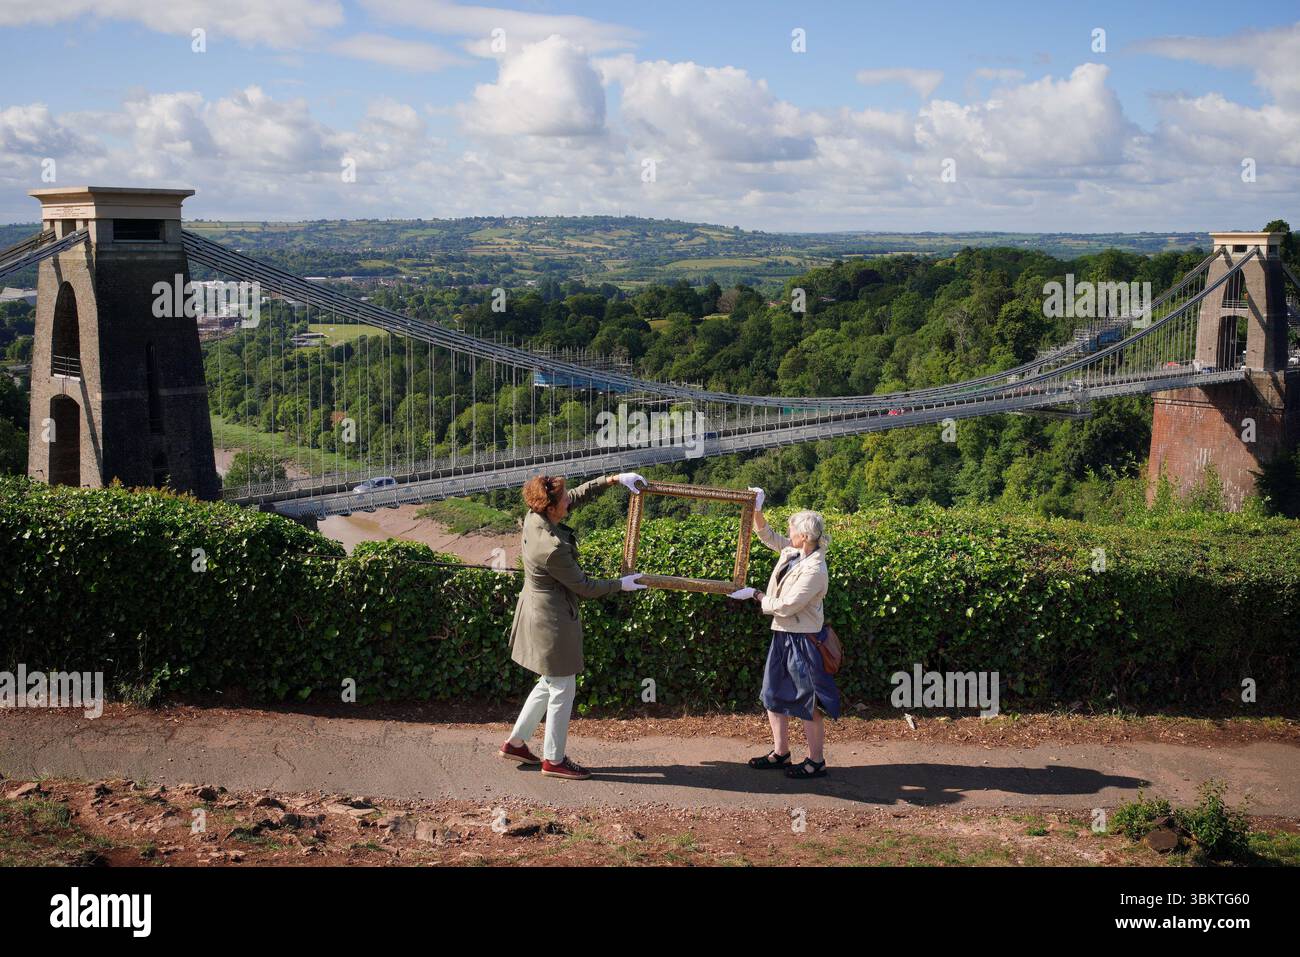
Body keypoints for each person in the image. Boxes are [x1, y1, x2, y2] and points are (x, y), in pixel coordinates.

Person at [500, 471, 649, 780]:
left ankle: (516, 743)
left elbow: (574, 497)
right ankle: (553, 760)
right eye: (563, 499)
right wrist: (620, 584)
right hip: (552, 622)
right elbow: (584, 587)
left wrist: (611, 480)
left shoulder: (534, 515)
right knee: (562, 687)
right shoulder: (553, 548)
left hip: (536, 610)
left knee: (550, 682)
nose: (569, 500)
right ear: (551, 507)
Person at [729, 488, 840, 778]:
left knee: (807, 702)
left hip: (802, 640)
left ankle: (816, 762)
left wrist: (755, 595)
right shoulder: (793, 552)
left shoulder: (816, 569)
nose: (788, 534)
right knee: (773, 694)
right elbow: (768, 536)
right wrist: (755, 508)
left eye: (792, 531)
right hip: (783, 635)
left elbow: (789, 605)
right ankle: (781, 753)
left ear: (804, 536)